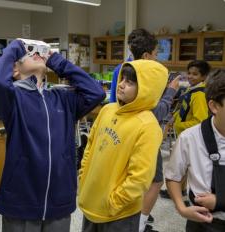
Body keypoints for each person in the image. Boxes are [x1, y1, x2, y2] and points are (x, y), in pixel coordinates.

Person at [0, 39, 105, 232]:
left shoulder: (62, 99)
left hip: (59, 199)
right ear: (15, 70)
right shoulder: (13, 98)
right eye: (28, 54)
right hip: (22, 201)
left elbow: (96, 92)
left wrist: (55, 60)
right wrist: (17, 46)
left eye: (39, 53)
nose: (36, 54)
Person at [78, 60, 168, 232]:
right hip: (91, 203)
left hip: (119, 215)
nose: (121, 85)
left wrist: (113, 203)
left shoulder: (147, 125)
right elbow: (90, 146)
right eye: (122, 79)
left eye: (130, 82)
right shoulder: (107, 110)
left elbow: (140, 177)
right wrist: (84, 178)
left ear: (146, 89)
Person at [109, 28, 180, 231]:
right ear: (148, 55)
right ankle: (138, 223)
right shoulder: (145, 75)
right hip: (142, 134)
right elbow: (152, 112)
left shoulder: (121, 68)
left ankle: (130, 217)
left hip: (122, 130)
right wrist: (171, 91)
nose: (157, 58)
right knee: (155, 181)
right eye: (156, 53)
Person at [165, 69, 225, 232]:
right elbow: (173, 177)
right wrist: (181, 208)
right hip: (203, 223)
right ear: (214, 106)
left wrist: (219, 201)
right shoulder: (190, 138)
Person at [173, 60, 210, 135]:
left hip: (191, 137)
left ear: (203, 77)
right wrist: (174, 117)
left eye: (195, 74)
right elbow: (185, 108)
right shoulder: (191, 89)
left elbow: (200, 122)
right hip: (183, 134)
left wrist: (178, 125)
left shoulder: (199, 95)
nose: (190, 76)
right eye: (189, 73)